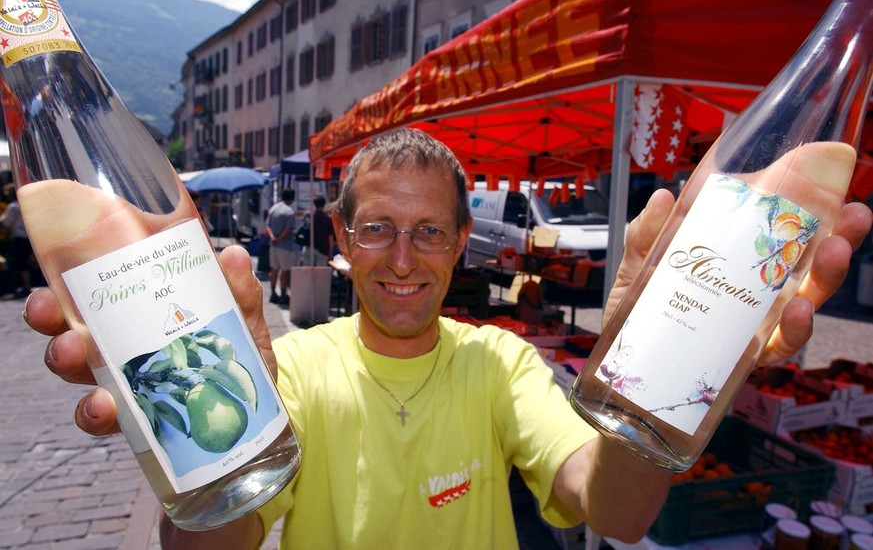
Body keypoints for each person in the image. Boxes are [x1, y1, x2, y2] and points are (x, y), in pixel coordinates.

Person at [24, 128, 873, 548]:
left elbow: (611, 510)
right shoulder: (291, 371)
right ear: (339, 236)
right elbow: (209, 545)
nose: (402, 259)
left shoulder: (499, 361)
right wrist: (196, 446)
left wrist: (667, 391)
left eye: (429, 233)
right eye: (378, 230)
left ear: (463, 241)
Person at [265, 189, 297, 306]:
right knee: (285, 271)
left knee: (274, 269)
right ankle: (283, 295)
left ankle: (273, 293)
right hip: (285, 246)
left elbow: (267, 225)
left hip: (273, 246)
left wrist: (272, 237)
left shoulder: (273, 209)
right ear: (292, 199)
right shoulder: (289, 212)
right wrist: (279, 239)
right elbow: (288, 229)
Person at [1, 184, 33, 298]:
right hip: (28, 238)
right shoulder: (25, 205)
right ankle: (26, 285)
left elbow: (6, 222)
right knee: (24, 262)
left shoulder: (13, 207)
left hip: (18, 238)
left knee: (19, 263)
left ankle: (24, 286)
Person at [304, 194, 335, 266]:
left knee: (307, 273)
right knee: (321, 274)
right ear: (324, 204)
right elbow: (330, 237)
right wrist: (330, 251)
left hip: (309, 247)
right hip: (322, 249)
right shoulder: (327, 219)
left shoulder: (310, 217)